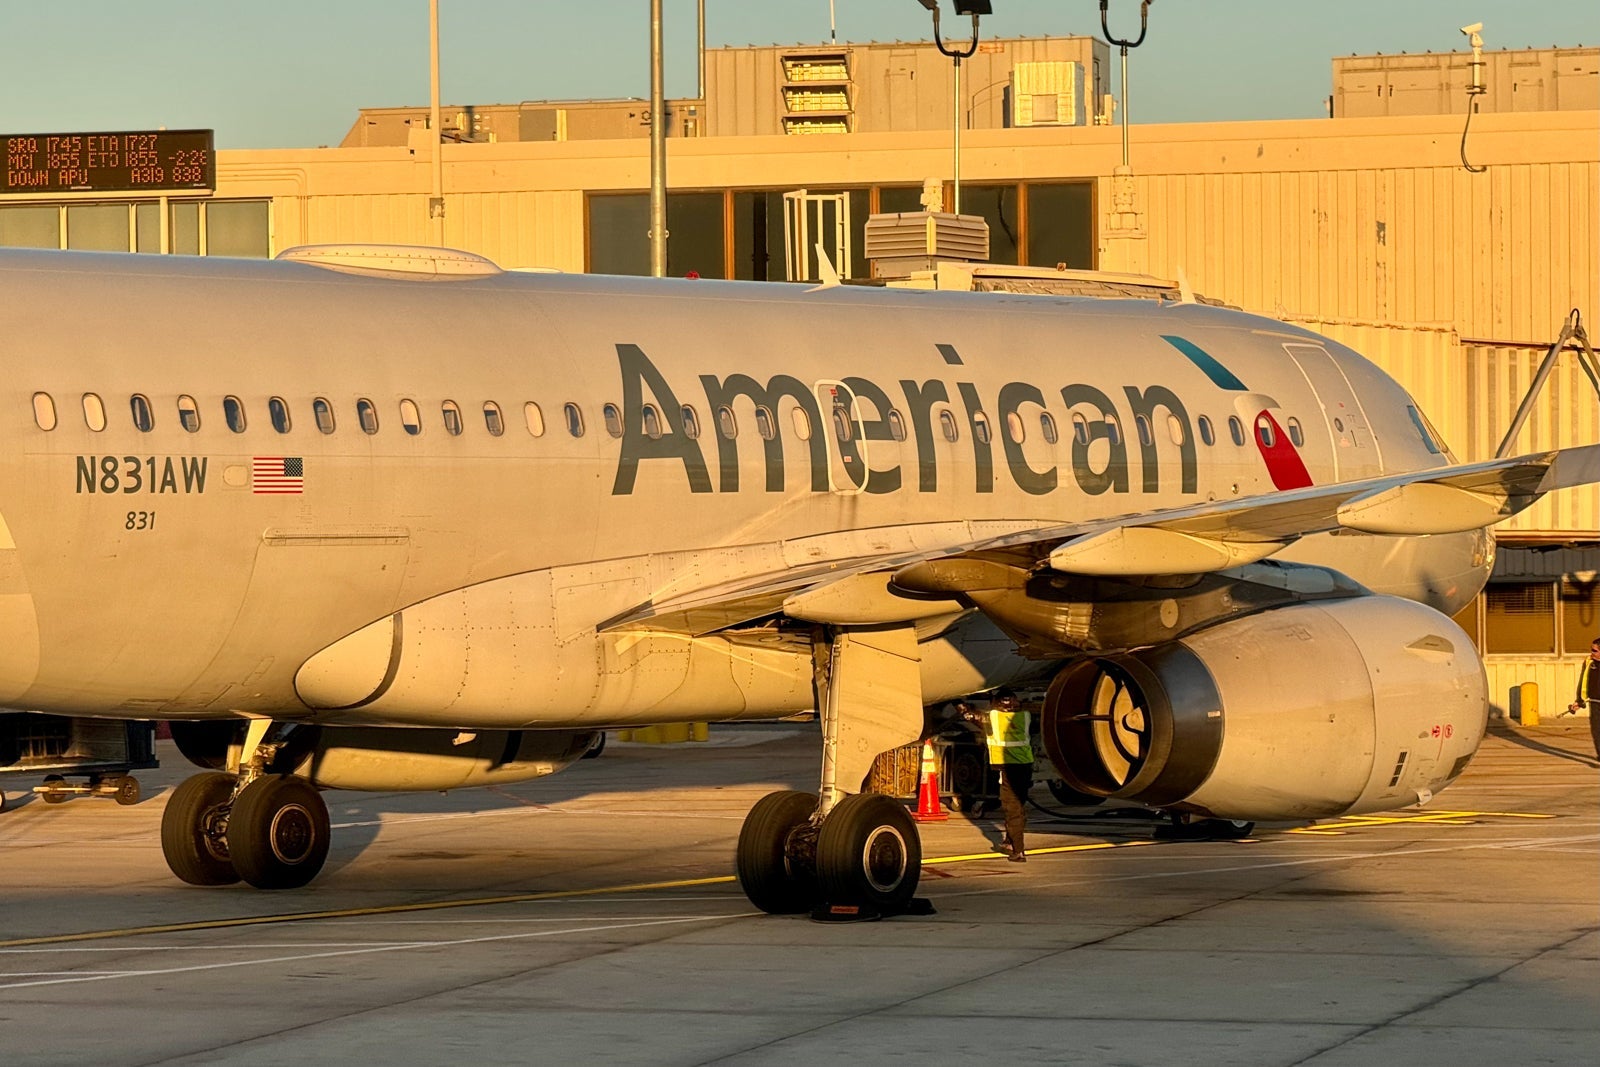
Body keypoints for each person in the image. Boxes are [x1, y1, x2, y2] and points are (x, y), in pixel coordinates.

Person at [966, 689, 1033, 862]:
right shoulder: (1024, 716)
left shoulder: (993, 718)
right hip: (1025, 766)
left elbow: (971, 716)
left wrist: (957, 704)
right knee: (1019, 806)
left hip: (1008, 767)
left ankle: (1018, 851)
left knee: (1012, 809)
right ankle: (1009, 841)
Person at [1569, 636, 1599, 758]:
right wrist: (1579, 700)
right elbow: (1583, 681)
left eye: (1594, 651)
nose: (1591, 653)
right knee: (1596, 730)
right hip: (1595, 702)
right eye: (1591, 650)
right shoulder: (1589, 662)